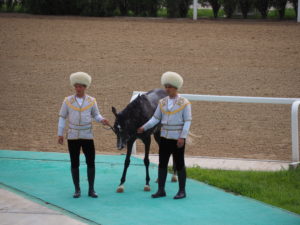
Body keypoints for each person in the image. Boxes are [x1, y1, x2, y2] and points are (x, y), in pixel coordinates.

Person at [137, 71, 192, 199]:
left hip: (177, 138)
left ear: (176, 88)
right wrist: (143, 127)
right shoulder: (162, 102)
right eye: (166, 86)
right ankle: (161, 190)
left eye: (170, 87)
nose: (167, 89)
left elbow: (188, 121)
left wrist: (182, 137)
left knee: (179, 164)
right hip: (165, 137)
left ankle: (182, 191)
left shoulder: (185, 103)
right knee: (162, 163)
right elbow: (156, 119)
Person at [58, 72, 110, 198]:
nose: (78, 88)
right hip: (73, 136)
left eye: (80, 86)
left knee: (91, 162)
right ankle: (77, 189)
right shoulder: (67, 101)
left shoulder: (92, 101)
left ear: (85, 87)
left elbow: (96, 115)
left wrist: (102, 119)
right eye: (76, 86)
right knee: (74, 163)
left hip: (87, 136)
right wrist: (60, 134)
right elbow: (62, 117)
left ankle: (91, 189)